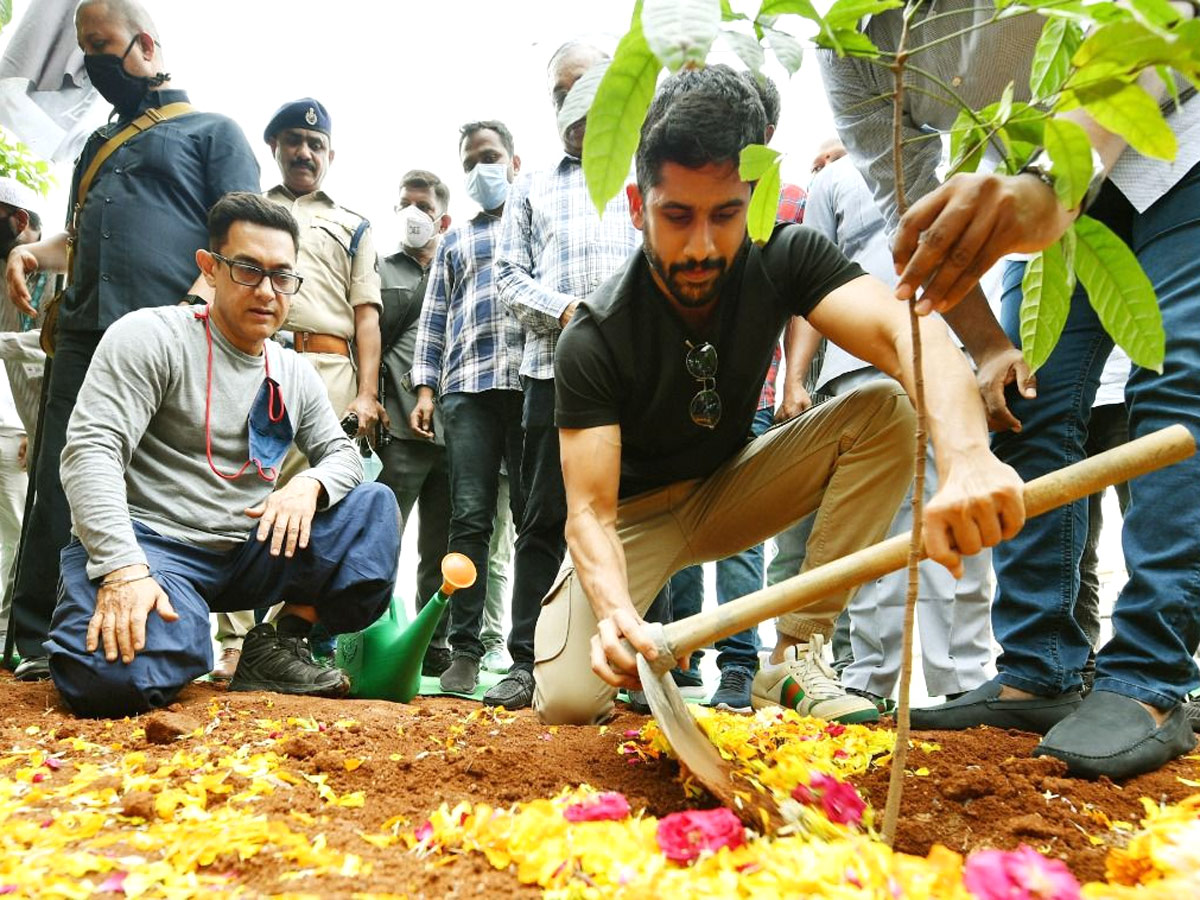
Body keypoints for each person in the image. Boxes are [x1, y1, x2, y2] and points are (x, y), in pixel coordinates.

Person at [532, 65, 1024, 727]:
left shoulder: (785, 255)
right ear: (636, 205)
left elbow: (907, 334)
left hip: (733, 488)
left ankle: (792, 662)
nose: (701, 246)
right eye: (677, 216)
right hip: (634, 518)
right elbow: (589, 514)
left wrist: (966, 458)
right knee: (568, 702)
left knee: (888, 410)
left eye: (726, 215)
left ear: (755, 199)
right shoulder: (594, 336)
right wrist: (618, 614)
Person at [821, 0, 1200, 776]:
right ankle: (1039, 670)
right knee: (1030, 402)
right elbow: (910, 209)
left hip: (1179, 142)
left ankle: (1151, 677)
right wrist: (989, 346)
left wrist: (1053, 179)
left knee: (1176, 384)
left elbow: (1167, 19)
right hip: (1054, 194)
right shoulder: (852, 38)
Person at [44, 192, 400, 718]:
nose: (266, 290)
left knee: (373, 507)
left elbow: (344, 457)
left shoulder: (293, 371)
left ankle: (276, 643)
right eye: (247, 270)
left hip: (244, 551)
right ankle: (170, 633)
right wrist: (122, 571)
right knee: (110, 682)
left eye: (282, 275)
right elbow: (90, 453)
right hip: (152, 549)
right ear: (209, 269)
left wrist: (309, 486)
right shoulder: (149, 336)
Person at [4, 0, 261, 681]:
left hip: (166, 343)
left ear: (145, 44)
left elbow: (244, 244)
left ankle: (158, 636)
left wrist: (192, 316)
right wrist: (34, 254)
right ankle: (37, 639)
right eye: (83, 48)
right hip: (84, 335)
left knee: (152, 488)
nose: (91, 62)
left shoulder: (214, 131)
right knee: (62, 478)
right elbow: (80, 234)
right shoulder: (96, 146)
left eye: (100, 45)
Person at [782, 154, 994, 712]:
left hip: (957, 355)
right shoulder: (831, 178)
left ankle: (964, 679)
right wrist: (796, 376)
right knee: (876, 531)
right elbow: (807, 289)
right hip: (862, 366)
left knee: (963, 517)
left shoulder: (972, 153)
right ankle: (869, 679)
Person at [211, 98, 385, 678]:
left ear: (330, 155)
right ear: (275, 148)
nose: (303, 151)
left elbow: (366, 314)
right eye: (292, 141)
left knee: (321, 498)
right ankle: (233, 641)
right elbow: (204, 290)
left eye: (315, 144)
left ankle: (288, 638)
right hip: (250, 364)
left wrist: (365, 393)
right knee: (244, 487)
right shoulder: (247, 216)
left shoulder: (353, 224)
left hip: (327, 373)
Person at [493, 43, 642, 704]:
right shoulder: (531, 184)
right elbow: (507, 280)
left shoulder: (647, 170)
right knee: (542, 518)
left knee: (638, 513)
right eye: (561, 90)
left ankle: (640, 666)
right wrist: (572, 311)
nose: (573, 99)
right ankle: (525, 659)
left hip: (638, 379)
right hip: (551, 374)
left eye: (586, 85)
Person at [665, 72, 810, 713]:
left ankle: (739, 665)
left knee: (743, 537)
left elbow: (804, 297)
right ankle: (683, 657)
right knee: (686, 531)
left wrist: (795, 380)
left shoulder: (787, 204)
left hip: (751, 396)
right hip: (684, 399)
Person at [411, 120, 529, 700]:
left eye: (490, 156)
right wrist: (426, 389)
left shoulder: (534, 222)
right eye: (470, 162)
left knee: (534, 518)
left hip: (530, 383)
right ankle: (465, 650)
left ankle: (528, 653)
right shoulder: (456, 240)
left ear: (513, 160)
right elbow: (435, 317)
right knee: (470, 519)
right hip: (467, 389)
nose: (481, 169)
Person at [375, 169, 454, 677]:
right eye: (404, 202)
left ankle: (435, 641)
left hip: (456, 429)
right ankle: (372, 627)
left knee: (442, 545)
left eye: (422, 205)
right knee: (386, 535)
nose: (412, 213)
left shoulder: (459, 265)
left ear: (442, 217)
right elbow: (369, 340)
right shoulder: (380, 269)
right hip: (399, 429)